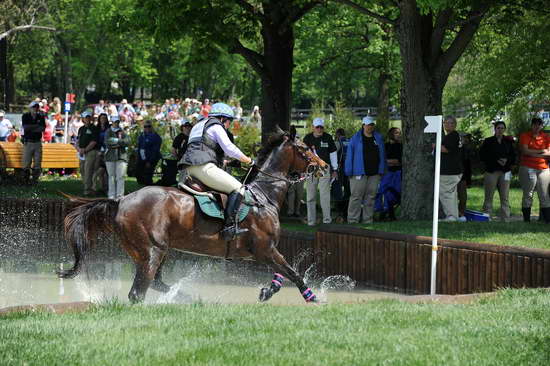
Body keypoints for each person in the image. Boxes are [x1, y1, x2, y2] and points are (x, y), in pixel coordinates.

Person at [180, 102, 253, 240]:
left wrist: (225, 162)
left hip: (188, 168)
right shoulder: (215, 125)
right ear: (222, 119)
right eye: (229, 122)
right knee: (239, 188)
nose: (228, 126)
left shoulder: (198, 125)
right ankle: (229, 228)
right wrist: (248, 160)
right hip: (203, 167)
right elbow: (229, 148)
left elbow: (203, 147)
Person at [345, 116, 387, 224]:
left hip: (374, 173)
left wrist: (381, 170)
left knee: (371, 197)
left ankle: (367, 220)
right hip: (358, 173)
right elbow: (349, 156)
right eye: (368, 125)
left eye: (372, 125)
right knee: (356, 197)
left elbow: (382, 155)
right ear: (363, 125)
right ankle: (353, 220)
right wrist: (349, 171)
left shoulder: (378, 138)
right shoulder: (355, 139)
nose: (370, 127)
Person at [303, 118, 338, 226]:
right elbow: (303, 155)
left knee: (324, 195)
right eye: (317, 127)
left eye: (321, 127)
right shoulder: (307, 138)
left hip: (323, 167)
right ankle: (311, 221)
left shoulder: (328, 138)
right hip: (311, 168)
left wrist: (335, 169)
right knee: (310, 196)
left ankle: (327, 220)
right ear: (313, 127)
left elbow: (333, 154)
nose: (319, 129)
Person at [479, 121, 516, 221]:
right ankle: (487, 217)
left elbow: (513, 155)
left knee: (505, 196)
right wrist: (497, 159)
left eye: (502, 128)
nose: (500, 130)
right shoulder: (488, 141)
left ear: (505, 129)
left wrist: (506, 160)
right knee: (489, 196)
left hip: (505, 171)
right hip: (492, 171)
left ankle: (506, 217)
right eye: (498, 128)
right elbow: (482, 156)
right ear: (494, 129)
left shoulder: (508, 141)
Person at [518, 117, 550, 222]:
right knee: (528, 194)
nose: (537, 127)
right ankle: (526, 221)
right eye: (535, 124)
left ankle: (547, 221)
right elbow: (525, 151)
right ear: (531, 125)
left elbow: (549, 153)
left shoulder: (546, 137)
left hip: (544, 169)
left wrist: (532, 153)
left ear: (541, 126)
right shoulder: (525, 136)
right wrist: (542, 151)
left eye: (539, 125)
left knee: (544, 194)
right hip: (527, 167)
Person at [438, 116, 463, 222]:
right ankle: (454, 216)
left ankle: (451, 216)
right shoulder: (450, 135)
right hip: (453, 170)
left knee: (446, 194)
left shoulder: (453, 135)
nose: (448, 125)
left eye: (451, 123)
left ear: (455, 125)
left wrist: (435, 146)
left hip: (449, 171)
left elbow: (446, 149)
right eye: (446, 123)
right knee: (451, 194)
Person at [376, 127, 402, 221]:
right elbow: (380, 159)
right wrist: (389, 161)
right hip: (387, 173)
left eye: (399, 133)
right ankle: (385, 214)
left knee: (394, 193)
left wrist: (386, 161)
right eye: (396, 133)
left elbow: (398, 161)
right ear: (391, 134)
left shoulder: (401, 146)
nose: (398, 135)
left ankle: (391, 214)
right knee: (383, 192)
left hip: (397, 173)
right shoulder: (385, 145)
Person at [104, 118, 129, 199]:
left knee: (120, 177)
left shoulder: (122, 131)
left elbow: (128, 141)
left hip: (121, 157)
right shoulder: (108, 131)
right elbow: (107, 142)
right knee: (111, 176)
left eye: (118, 122)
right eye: (115, 122)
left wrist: (116, 141)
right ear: (112, 122)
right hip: (110, 157)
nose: (116, 123)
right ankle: (111, 195)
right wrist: (120, 142)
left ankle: (120, 196)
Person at [21, 101, 46, 183]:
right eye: (34, 107)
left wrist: (31, 128)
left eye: (37, 107)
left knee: (37, 163)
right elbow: (25, 127)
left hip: (37, 142)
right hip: (28, 142)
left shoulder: (41, 116)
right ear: (30, 108)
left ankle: (35, 181)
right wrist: (36, 126)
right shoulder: (25, 116)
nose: (36, 108)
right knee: (26, 163)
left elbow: (42, 129)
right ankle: (25, 181)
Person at [77, 111, 100, 196]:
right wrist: (79, 149)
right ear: (83, 118)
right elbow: (77, 140)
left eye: (88, 117)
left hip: (91, 152)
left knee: (88, 171)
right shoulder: (81, 129)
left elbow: (94, 142)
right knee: (82, 170)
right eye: (86, 117)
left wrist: (85, 150)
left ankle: (87, 190)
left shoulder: (94, 128)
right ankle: (87, 187)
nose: (87, 119)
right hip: (81, 152)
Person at [286, 125, 305, 218]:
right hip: (291, 173)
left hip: (300, 173)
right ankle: (290, 212)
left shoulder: (301, 147)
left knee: (299, 193)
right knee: (291, 192)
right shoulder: (288, 146)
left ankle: (297, 211)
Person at [136, 122, 162, 186]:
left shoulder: (156, 137)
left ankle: (149, 189)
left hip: (151, 159)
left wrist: (149, 161)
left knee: (147, 175)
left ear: (152, 127)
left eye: (149, 126)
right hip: (141, 158)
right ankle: (144, 188)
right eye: (145, 126)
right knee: (138, 174)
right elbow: (139, 148)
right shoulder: (141, 136)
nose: (147, 128)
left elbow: (155, 150)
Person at [333, 128, 350, 221]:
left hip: (340, 169)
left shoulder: (338, 142)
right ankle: (347, 210)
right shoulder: (349, 141)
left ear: (337, 134)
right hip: (349, 169)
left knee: (338, 190)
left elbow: (332, 154)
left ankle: (340, 210)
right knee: (348, 190)